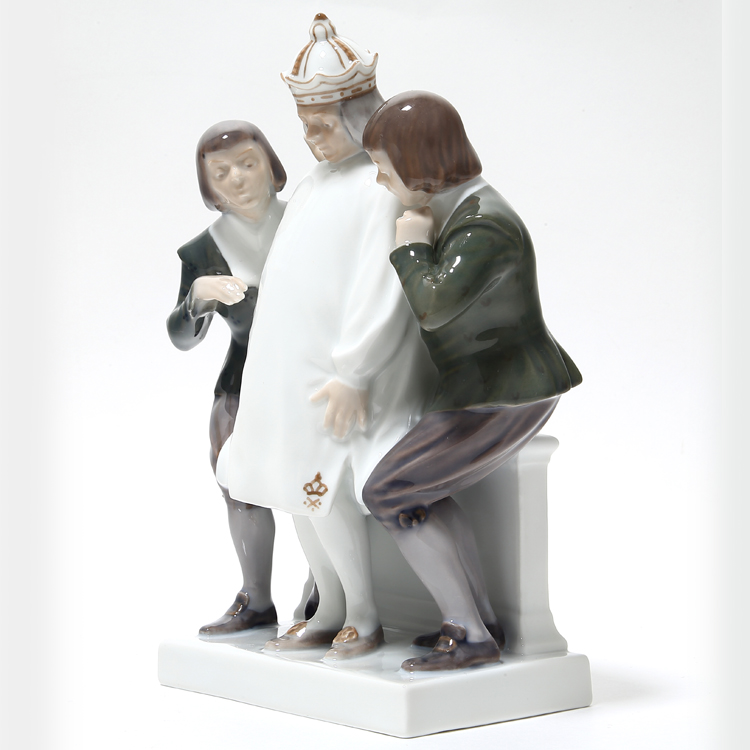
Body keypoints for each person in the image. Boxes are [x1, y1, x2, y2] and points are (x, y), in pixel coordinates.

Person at [225, 15, 432, 660]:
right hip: (288, 370)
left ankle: (362, 614)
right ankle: (328, 605)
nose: (310, 138)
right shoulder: (314, 186)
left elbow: (381, 285)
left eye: (321, 125)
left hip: (333, 375)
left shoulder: (379, 188)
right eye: (305, 125)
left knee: (322, 489)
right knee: (294, 489)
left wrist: (354, 370)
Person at [361, 92, 582, 670]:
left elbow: (434, 305)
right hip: (484, 388)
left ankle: (470, 635)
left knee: (388, 491)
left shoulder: (484, 224)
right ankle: (476, 621)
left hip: (507, 390)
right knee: (420, 490)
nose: (381, 181)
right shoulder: (462, 211)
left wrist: (410, 245)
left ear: (417, 163)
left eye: (385, 167)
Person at [167, 121, 287, 635]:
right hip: (244, 382)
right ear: (208, 186)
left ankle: (328, 594)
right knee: (236, 479)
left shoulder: (308, 221)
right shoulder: (203, 251)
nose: (236, 178)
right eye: (220, 172)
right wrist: (198, 296)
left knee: (319, 485)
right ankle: (255, 596)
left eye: (247, 163)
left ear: (270, 166)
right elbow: (181, 336)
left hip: (315, 378)